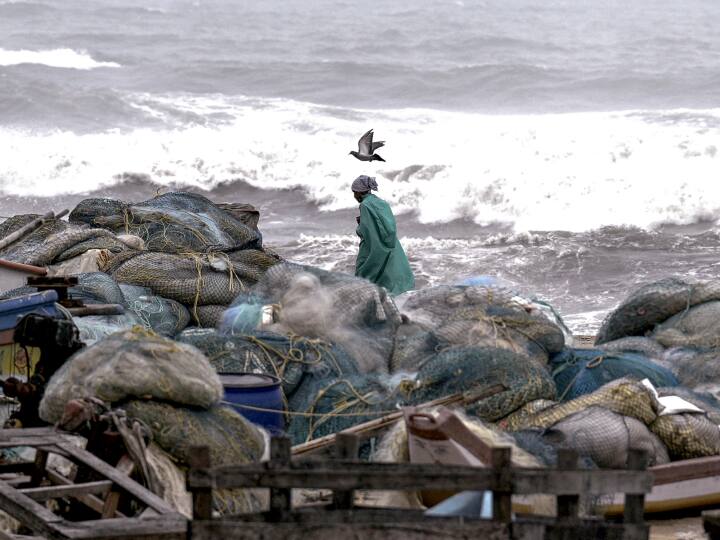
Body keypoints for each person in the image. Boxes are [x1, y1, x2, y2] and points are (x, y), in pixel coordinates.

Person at [352, 175, 414, 295]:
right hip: (391, 242)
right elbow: (387, 224)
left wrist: (359, 226)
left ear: (359, 192)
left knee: (366, 269)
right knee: (390, 271)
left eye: (354, 192)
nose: (354, 196)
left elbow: (367, 231)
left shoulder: (365, 205)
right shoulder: (382, 202)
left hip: (375, 243)